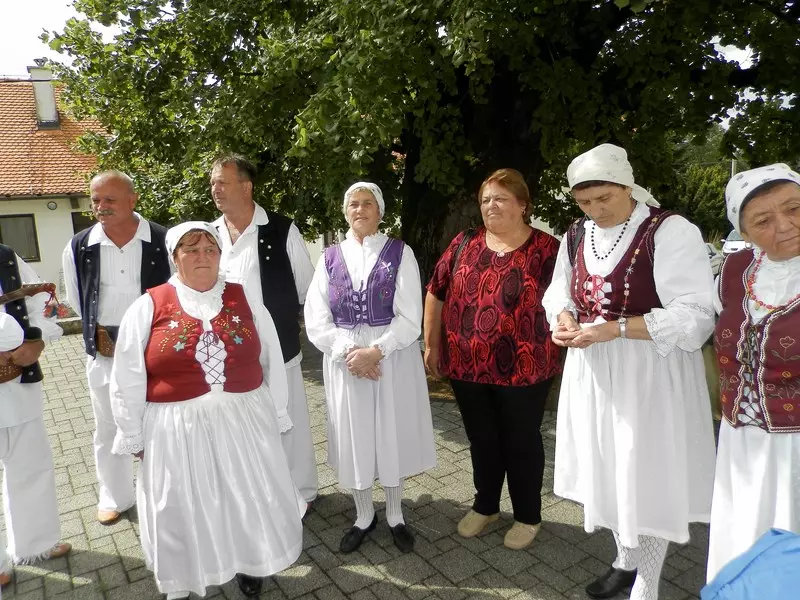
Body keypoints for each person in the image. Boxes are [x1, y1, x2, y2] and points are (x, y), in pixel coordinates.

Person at [541, 144, 716, 600]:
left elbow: (696, 315)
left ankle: (648, 584)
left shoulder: (669, 230)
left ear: (627, 186)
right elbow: (559, 290)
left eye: (605, 198)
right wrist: (561, 318)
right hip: (594, 372)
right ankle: (624, 560)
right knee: (610, 471)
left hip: (651, 370)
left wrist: (614, 329)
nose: (595, 210)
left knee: (646, 476)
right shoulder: (576, 234)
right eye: (585, 202)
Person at [109, 222, 304, 598]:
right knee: (181, 505)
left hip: (243, 421)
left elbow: (271, 360)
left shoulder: (244, 298)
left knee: (244, 497)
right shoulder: (148, 305)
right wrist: (132, 431)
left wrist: (276, 412)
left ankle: (250, 562)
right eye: (190, 249)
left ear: (220, 255)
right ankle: (183, 578)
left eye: (210, 249)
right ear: (174, 257)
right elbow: (127, 376)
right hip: (175, 427)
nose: (202, 256)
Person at [424, 168, 562, 550]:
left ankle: (528, 515)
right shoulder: (464, 242)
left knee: (521, 440)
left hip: (526, 367)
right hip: (468, 366)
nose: (490, 206)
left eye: (500, 198)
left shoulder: (548, 250)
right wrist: (432, 343)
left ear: (523, 204)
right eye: (485, 199)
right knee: (482, 439)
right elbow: (435, 291)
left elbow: (567, 302)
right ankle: (485, 505)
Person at [304, 182, 436, 553]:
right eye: (353, 204)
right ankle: (364, 515)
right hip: (345, 361)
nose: (360, 209)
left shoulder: (399, 252)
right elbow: (316, 317)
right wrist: (350, 352)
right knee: (355, 435)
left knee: (389, 432)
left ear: (379, 211)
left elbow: (411, 315)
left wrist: (376, 351)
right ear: (345, 212)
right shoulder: (329, 257)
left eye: (367, 204)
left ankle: (395, 514)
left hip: (391, 358)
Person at [707, 164, 800, 582]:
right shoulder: (734, 269)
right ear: (743, 231)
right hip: (741, 441)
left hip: (796, 449)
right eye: (762, 220)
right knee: (743, 539)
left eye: (795, 208)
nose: (784, 226)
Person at [62, 170, 171, 525]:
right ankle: (115, 496)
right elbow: (78, 300)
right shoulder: (79, 245)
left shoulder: (162, 240)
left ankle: (166, 493)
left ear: (132, 199)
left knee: (159, 423)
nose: (101, 207)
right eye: (95, 200)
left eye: (109, 199)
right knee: (108, 427)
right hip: (105, 352)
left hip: (155, 350)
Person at [210, 154, 318, 506]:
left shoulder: (282, 230)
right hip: (228, 354)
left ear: (246, 186)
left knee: (290, 421)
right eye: (213, 182)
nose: (216, 189)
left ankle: (300, 491)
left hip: (278, 347)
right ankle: (257, 493)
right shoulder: (208, 235)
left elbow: (306, 288)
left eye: (223, 181)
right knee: (242, 424)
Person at [0, 249, 71, 589]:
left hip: (16, 380)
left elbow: (41, 303)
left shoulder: (6, 258)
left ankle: (36, 542)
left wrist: (37, 341)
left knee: (31, 463)